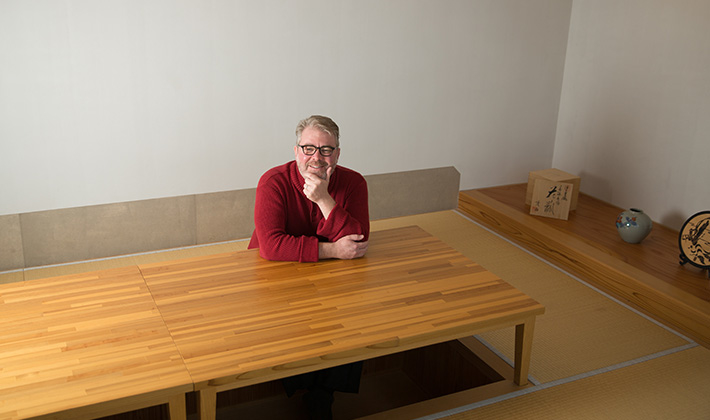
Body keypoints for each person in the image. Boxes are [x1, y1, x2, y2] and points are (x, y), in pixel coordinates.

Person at [248, 115, 369, 419]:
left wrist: (324, 199)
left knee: (353, 316)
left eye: (326, 150)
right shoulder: (273, 181)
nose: (317, 157)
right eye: (309, 148)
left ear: (337, 154)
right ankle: (299, 387)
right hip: (281, 268)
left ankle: (322, 394)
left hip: (329, 271)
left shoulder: (353, 182)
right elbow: (271, 246)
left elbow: (358, 239)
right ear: (296, 151)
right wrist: (332, 250)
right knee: (288, 320)